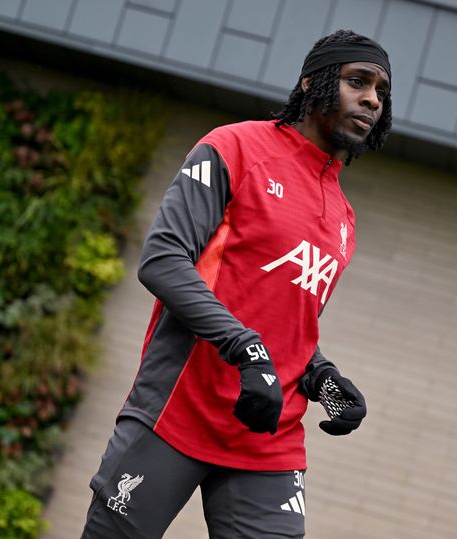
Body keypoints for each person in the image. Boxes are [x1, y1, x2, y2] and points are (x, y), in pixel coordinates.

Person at [81, 29, 392, 539]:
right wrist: (246, 350)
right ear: (311, 83)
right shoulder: (235, 147)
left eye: (381, 91)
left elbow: (283, 319)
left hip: (268, 440)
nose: (372, 100)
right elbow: (162, 260)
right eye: (357, 81)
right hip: (178, 413)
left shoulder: (343, 217)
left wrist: (320, 375)